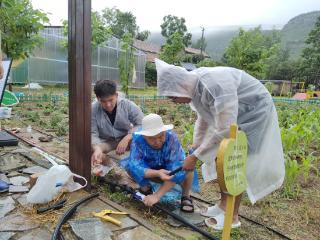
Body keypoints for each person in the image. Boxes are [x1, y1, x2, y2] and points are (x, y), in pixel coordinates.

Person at [156, 58, 285, 230]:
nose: (174, 102)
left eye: (173, 97)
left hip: (253, 113)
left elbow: (225, 128)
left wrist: (195, 157)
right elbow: (203, 118)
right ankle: (223, 206)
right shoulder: (195, 86)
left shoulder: (214, 84)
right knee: (221, 160)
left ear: (181, 86)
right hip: (235, 117)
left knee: (235, 162)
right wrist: (196, 145)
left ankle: (232, 216)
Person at [121, 113, 198, 211]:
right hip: (153, 171)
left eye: (161, 136)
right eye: (151, 138)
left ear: (164, 132)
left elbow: (177, 167)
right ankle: (145, 188)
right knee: (129, 166)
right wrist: (157, 173)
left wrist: (157, 196)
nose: (157, 141)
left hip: (169, 172)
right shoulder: (138, 140)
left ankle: (186, 196)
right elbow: (135, 165)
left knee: (187, 168)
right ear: (144, 136)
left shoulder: (171, 139)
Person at [91, 80, 144, 167]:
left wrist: (127, 137)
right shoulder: (93, 109)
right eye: (103, 101)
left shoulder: (127, 105)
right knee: (92, 148)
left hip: (126, 138)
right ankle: (109, 164)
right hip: (107, 142)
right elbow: (93, 133)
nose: (108, 105)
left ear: (116, 95)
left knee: (145, 139)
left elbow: (141, 123)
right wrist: (97, 148)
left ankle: (138, 164)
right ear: (97, 98)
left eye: (111, 100)